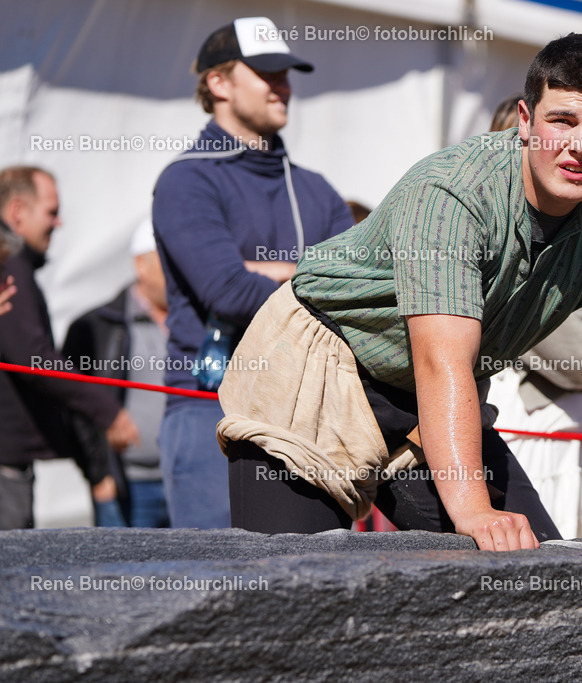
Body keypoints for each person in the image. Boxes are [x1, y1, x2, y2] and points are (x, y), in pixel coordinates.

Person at [216, 33, 582, 557]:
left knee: (540, 577)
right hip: (319, 368)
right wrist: (473, 512)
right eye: (562, 120)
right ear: (524, 120)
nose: (579, 145)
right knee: (292, 589)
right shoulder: (453, 190)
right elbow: (441, 359)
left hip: (433, 394)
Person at [152, 17, 354, 528]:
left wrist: (271, 272)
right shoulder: (186, 180)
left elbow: (354, 291)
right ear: (218, 84)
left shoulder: (319, 190)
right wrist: (308, 276)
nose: (282, 84)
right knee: (217, 591)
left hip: (311, 415)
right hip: (209, 410)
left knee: (316, 589)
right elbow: (229, 290)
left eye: (286, 72)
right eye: (265, 72)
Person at [486, 93, 582, 539]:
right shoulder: (504, 238)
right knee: (537, 555)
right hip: (531, 432)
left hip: (563, 435)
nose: (573, 148)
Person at [0, 166, 139, 529]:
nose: (58, 223)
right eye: (50, 212)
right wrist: (107, 410)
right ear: (17, 212)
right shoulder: (9, 267)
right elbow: (36, 361)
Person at [62, 219, 171, 528]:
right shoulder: (97, 326)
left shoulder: (200, 323)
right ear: (142, 265)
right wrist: (98, 474)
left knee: (196, 575)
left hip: (189, 482)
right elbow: (71, 405)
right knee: (126, 576)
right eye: (169, 264)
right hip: (128, 487)